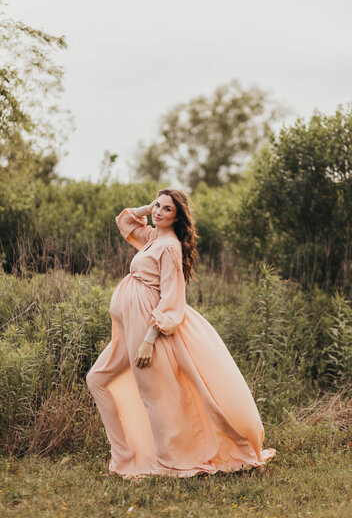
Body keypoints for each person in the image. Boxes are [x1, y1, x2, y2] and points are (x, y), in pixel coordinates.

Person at [86, 188, 276, 479]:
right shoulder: (153, 238)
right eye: (158, 207)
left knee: (155, 397)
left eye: (166, 210)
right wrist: (146, 209)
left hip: (147, 328)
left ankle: (167, 462)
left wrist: (150, 340)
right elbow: (124, 221)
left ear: (177, 218)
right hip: (128, 328)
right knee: (97, 378)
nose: (159, 213)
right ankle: (125, 456)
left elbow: (173, 298)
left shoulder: (170, 247)